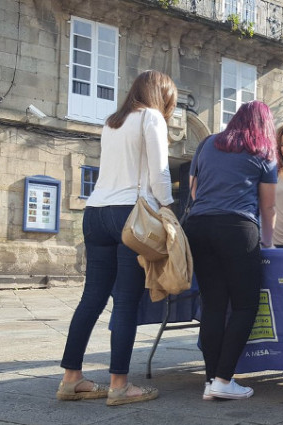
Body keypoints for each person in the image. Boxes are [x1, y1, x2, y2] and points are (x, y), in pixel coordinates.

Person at [58, 70, 176, 406]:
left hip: (95, 212)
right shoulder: (152, 118)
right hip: (130, 214)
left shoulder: (111, 122)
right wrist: (169, 211)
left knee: (91, 299)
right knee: (125, 302)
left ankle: (71, 379)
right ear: (161, 95)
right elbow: (160, 174)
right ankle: (120, 385)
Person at [182, 101, 277, 401]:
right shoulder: (263, 152)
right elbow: (268, 206)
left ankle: (212, 380)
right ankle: (224, 378)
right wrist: (269, 243)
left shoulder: (208, 143)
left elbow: (194, 190)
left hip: (198, 226)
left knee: (212, 305)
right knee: (245, 305)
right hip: (237, 228)